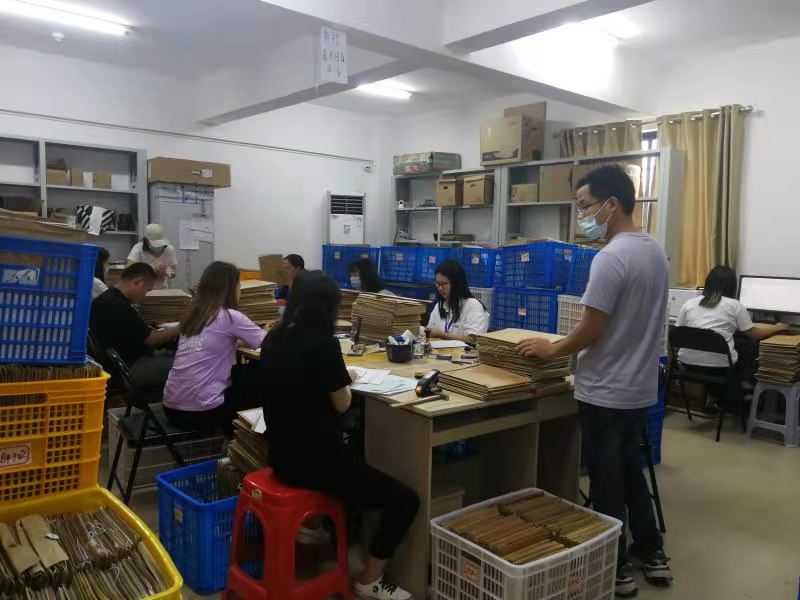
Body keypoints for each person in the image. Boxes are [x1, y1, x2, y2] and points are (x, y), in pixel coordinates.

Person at [515, 165, 672, 597]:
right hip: (639, 388)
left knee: (606, 481)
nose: (581, 216)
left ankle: (614, 567)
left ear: (612, 205)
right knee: (630, 470)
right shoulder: (655, 252)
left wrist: (551, 349)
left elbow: (591, 329)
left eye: (585, 207)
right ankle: (652, 552)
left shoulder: (611, 258)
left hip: (606, 389)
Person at [260, 271, 418, 600]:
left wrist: (336, 377)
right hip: (315, 465)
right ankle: (369, 580)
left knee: (356, 453)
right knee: (405, 500)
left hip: (280, 455)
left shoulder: (274, 338)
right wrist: (344, 380)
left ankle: (320, 531)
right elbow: (342, 403)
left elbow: (302, 383)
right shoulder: (324, 344)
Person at [163, 262, 267, 435]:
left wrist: (244, 341)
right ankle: (240, 439)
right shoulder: (230, 317)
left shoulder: (194, 316)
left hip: (171, 409)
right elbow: (270, 343)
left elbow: (216, 343)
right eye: (239, 286)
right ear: (231, 289)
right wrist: (271, 330)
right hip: (202, 413)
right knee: (257, 379)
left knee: (241, 374)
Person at [677, 265, 787, 381]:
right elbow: (754, 334)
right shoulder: (734, 305)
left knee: (739, 341)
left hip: (687, 363)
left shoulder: (689, 303)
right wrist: (777, 327)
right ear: (732, 286)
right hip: (719, 367)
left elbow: (678, 331)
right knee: (749, 346)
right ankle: (746, 385)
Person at [90, 263, 178, 388]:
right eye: (147, 290)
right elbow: (153, 339)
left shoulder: (109, 298)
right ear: (138, 282)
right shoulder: (117, 306)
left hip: (121, 363)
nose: (145, 295)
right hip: (129, 368)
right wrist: (184, 326)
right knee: (187, 364)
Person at [426, 260, 489, 343]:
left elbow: (472, 340)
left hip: (464, 351)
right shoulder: (439, 306)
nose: (440, 288)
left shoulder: (473, 305)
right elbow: (429, 333)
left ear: (456, 284)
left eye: (444, 284)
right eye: (437, 283)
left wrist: (441, 335)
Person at [127, 224, 177, 290]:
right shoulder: (138, 249)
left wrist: (167, 270)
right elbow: (129, 272)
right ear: (146, 241)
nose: (159, 247)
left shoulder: (169, 249)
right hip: (141, 290)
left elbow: (173, 273)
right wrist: (150, 269)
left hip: (161, 290)